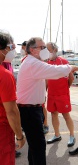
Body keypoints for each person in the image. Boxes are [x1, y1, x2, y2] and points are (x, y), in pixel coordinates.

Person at [17, 37, 77, 165]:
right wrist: (73, 67)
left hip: (31, 109)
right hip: (30, 110)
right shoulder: (33, 63)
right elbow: (55, 71)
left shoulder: (31, 61)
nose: (45, 50)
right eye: (43, 47)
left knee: (34, 145)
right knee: (38, 146)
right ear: (33, 50)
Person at [0, 30, 25, 165]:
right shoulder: (4, 75)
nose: (12, 50)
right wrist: (20, 136)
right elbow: (11, 111)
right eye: (10, 47)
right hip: (3, 131)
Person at [46, 42, 75, 147]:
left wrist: (66, 87)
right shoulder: (46, 63)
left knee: (66, 115)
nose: (47, 52)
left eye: (48, 50)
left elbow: (71, 78)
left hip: (62, 94)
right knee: (53, 114)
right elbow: (46, 80)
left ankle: (72, 135)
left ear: (54, 50)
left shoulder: (63, 61)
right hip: (51, 94)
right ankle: (57, 135)